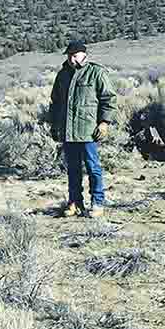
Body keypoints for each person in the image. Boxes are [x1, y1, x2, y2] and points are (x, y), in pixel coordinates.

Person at [48, 38, 117, 217]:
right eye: (69, 55)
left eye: (75, 55)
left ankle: (97, 203)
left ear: (84, 55)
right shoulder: (62, 75)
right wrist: (54, 125)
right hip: (68, 131)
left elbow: (109, 99)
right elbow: (55, 102)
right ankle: (75, 202)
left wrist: (104, 122)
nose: (72, 59)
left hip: (88, 130)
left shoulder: (96, 72)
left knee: (93, 167)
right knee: (73, 169)